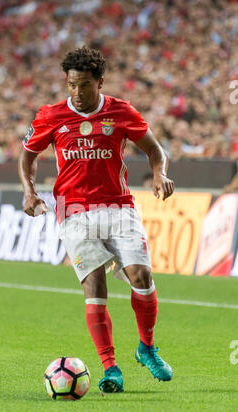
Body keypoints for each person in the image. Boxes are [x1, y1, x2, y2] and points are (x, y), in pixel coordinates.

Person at [19, 46, 175, 393]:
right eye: (72, 85)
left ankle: (146, 348)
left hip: (118, 207)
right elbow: (27, 155)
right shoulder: (51, 115)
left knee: (142, 276)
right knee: (94, 284)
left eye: (85, 85)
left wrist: (158, 174)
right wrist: (30, 193)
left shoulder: (121, 111)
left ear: (100, 82)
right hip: (73, 211)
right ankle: (110, 367)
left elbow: (154, 149)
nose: (77, 92)